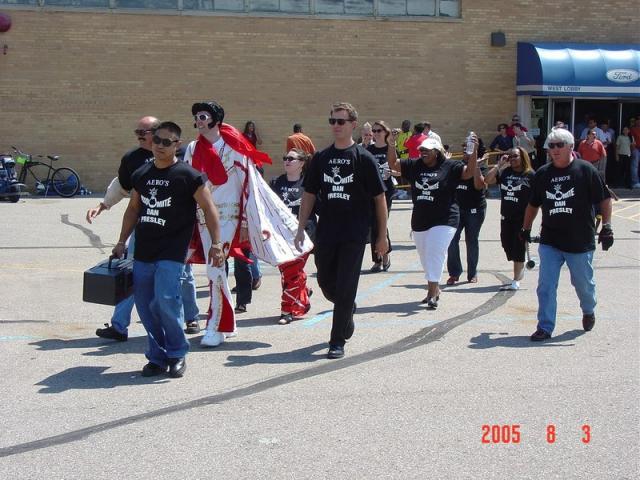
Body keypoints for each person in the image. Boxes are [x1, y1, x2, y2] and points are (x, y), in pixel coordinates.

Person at [184, 101, 312, 347]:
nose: (198, 121)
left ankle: (216, 325)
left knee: (215, 267)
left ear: (215, 119)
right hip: (202, 216)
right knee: (215, 271)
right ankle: (226, 323)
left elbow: (248, 186)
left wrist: (245, 221)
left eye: (203, 116)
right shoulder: (192, 148)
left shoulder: (235, 148)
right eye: (196, 117)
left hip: (229, 216)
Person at [112, 121, 224, 377]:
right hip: (143, 251)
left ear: (177, 145)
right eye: (157, 141)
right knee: (145, 306)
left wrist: (216, 244)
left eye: (166, 142)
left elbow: (209, 209)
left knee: (165, 301)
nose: (159, 146)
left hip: (172, 251)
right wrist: (121, 242)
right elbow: (133, 210)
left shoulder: (188, 175)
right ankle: (156, 357)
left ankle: (176, 353)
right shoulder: (141, 174)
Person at [86, 116, 201, 339]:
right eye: (137, 131)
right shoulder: (133, 159)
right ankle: (119, 326)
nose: (140, 135)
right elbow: (122, 185)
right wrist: (103, 204)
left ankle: (191, 318)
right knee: (133, 273)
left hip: (176, 231)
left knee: (183, 276)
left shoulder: (182, 155)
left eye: (145, 131)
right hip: (146, 226)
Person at [295, 102, 388, 359]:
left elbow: (379, 199)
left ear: (352, 125)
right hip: (327, 231)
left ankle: (337, 341)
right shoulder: (321, 159)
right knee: (326, 282)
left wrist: (381, 237)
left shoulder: (364, 159)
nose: (336, 125)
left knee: (346, 285)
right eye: (332, 121)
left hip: (355, 233)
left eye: (341, 121)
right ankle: (347, 308)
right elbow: (309, 194)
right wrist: (301, 227)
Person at [521, 128, 613, 341]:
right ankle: (545, 326)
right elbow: (533, 204)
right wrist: (525, 229)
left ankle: (588, 309)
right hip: (551, 239)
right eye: (551, 146)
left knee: (583, 284)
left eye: (559, 145)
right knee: (546, 285)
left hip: (580, 240)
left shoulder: (586, 170)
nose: (554, 150)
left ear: (571, 147)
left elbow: (605, 199)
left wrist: (607, 226)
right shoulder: (543, 174)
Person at [388, 133, 479, 309]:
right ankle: (435, 288)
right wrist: (391, 145)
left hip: (446, 218)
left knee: (434, 252)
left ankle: (431, 293)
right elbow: (393, 163)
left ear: (437, 152)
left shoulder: (450, 166)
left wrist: (474, 152)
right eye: (421, 150)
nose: (423, 153)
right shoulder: (415, 165)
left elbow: (468, 173)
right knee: (425, 256)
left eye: (427, 150)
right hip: (421, 219)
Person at [269, 148, 314, 324]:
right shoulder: (276, 182)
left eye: (291, 159)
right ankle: (302, 291)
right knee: (289, 272)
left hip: (303, 235)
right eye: (285, 158)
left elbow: (319, 208)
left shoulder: (308, 184)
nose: (287, 161)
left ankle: (286, 310)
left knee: (292, 272)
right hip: (281, 237)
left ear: (301, 163)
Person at [484, 147, 535, 290]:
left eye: (515, 156)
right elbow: (487, 180)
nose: (512, 159)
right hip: (506, 217)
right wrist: (499, 165)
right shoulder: (506, 172)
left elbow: (537, 198)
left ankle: (516, 279)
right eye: (510, 156)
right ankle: (519, 267)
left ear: (523, 157)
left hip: (522, 218)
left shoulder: (530, 175)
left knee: (518, 248)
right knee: (507, 246)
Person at [446, 145, 487, 285]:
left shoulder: (481, 167)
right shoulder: (458, 166)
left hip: (475, 210)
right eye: (464, 152)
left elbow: (479, 185)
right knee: (451, 240)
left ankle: (472, 273)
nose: (466, 154)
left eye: (469, 152)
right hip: (457, 209)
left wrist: (475, 165)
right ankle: (454, 273)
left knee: (471, 241)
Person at [367, 121, 397, 272]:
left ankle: (384, 255)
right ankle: (378, 259)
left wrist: (393, 173)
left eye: (379, 130)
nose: (376, 133)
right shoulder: (369, 149)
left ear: (386, 132)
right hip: (372, 190)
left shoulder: (389, 148)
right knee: (374, 224)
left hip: (387, 190)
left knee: (381, 221)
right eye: (374, 131)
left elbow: (398, 169)